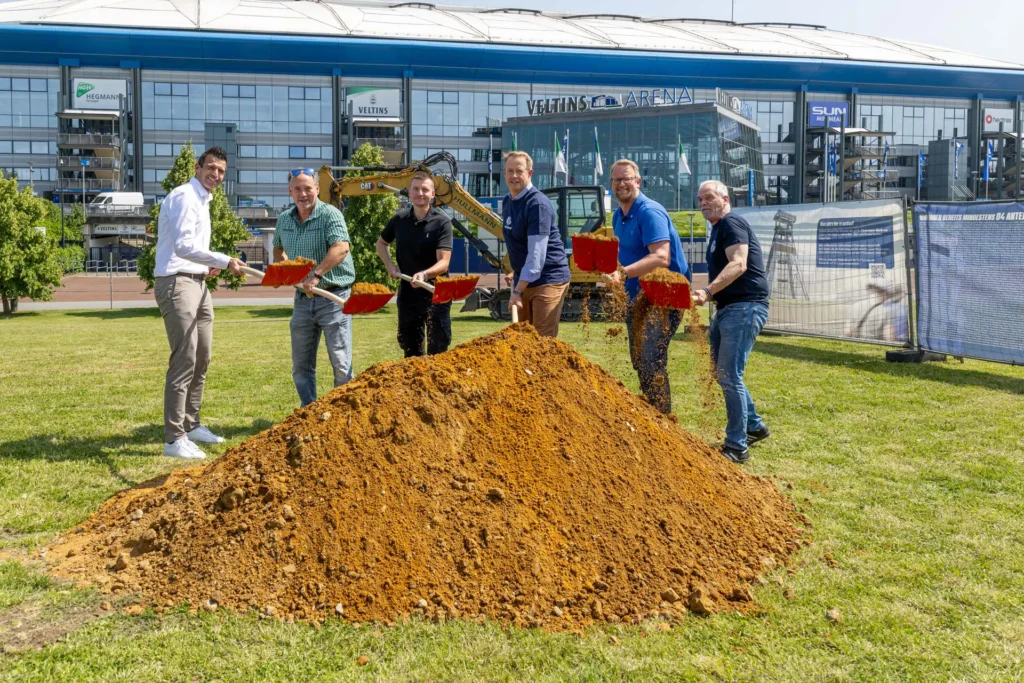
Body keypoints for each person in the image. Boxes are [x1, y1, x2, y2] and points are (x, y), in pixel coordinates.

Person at [153, 146, 244, 459]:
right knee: (185, 358)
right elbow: (182, 246)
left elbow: (194, 249)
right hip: (177, 282)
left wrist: (209, 264)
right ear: (197, 167)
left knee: (202, 357)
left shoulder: (204, 201)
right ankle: (173, 438)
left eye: (220, 171)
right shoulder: (184, 196)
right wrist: (222, 258)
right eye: (211, 168)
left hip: (199, 283)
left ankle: (191, 425)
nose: (215, 175)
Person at [692, 180, 771, 464]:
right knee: (721, 371)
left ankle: (737, 446)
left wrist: (707, 291)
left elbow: (739, 263)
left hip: (745, 307)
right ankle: (755, 426)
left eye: (709, 197)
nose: (702, 203)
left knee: (729, 374)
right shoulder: (718, 229)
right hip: (729, 308)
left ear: (725, 198)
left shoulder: (731, 223)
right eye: (699, 199)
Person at [604, 159, 691, 414]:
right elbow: (629, 254)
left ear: (638, 181)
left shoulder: (648, 211)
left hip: (665, 294)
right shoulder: (618, 215)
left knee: (650, 358)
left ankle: (662, 421)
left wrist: (624, 273)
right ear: (611, 184)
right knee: (640, 359)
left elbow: (661, 257)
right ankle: (653, 415)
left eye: (627, 178)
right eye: (617, 180)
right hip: (639, 296)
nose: (622, 183)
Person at [273, 168, 356, 407]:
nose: (303, 194)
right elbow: (278, 248)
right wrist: (287, 271)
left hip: (333, 297)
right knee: (301, 366)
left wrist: (316, 275)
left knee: (341, 364)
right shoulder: (284, 220)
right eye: (297, 189)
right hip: (302, 302)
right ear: (290, 192)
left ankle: (341, 414)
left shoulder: (331, 215)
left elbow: (341, 247)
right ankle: (308, 411)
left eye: (308, 188)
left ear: (317, 189)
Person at [376, 172, 454, 357]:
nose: (420, 193)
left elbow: (444, 262)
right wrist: (390, 265)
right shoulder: (399, 220)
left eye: (425, 189)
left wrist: (425, 275)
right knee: (410, 348)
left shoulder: (442, 223)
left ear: (433, 194)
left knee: (438, 348)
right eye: (416, 189)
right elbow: (381, 243)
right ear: (409, 193)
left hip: (436, 293)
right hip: (408, 294)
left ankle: (436, 385)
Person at [501, 151, 571, 337]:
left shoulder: (537, 205)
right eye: (510, 171)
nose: (514, 176)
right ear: (504, 173)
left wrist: (517, 291)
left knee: (541, 340)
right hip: (525, 279)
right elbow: (516, 242)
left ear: (530, 173)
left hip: (549, 277)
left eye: (519, 171)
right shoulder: (508, 201)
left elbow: (536, 256)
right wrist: (515, 271)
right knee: (523, 339)